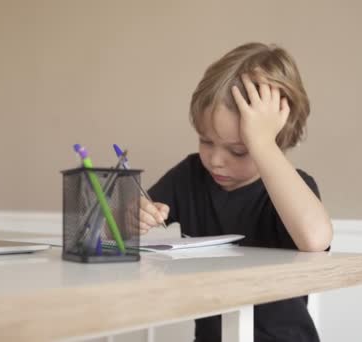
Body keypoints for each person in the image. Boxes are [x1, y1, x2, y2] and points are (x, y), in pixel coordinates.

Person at [140, 42, 333, 342]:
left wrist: (263, 143)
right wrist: (132, 214)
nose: (216, 160)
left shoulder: (294, 187)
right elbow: (126, 216)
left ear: (275, 143)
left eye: (239, 150)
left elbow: (315, 239)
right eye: (206, 141)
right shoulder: (190, 176)